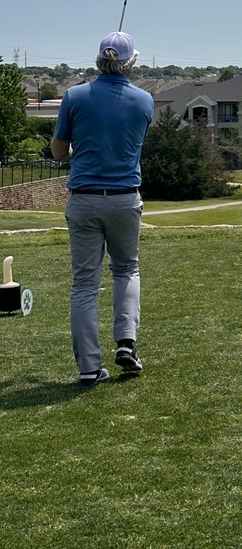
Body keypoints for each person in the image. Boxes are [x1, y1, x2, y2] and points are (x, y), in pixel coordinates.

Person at [51, 32, 154, 387]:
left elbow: (58, 152)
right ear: (131, 63)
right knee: (126, 269)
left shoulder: (74, 97)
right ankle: (126, 344)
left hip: (83, 199)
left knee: (84, 284)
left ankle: (89, 368)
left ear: (98, 60)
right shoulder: (144, 101)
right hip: (125, 199)